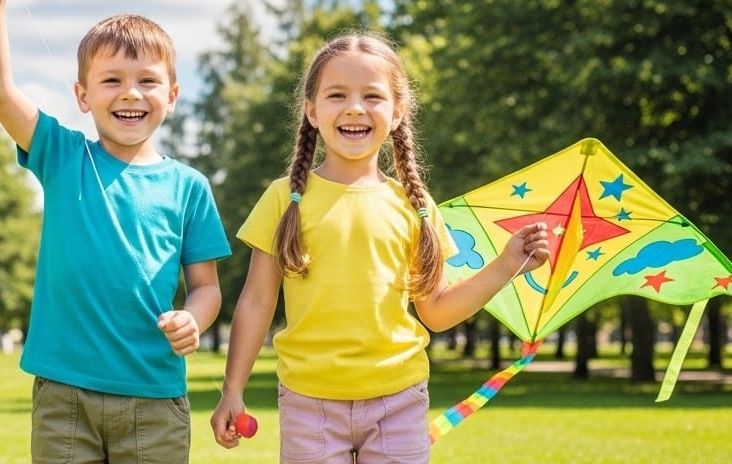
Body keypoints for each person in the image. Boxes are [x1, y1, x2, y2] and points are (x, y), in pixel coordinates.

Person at [209, 32, 551, 463]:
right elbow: (257, 301)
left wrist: (506, 265)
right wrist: (232, 389)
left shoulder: (417, 206)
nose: (354, 107)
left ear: (397, 111)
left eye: (372, 95)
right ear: (312, 112)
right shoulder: (284, 198)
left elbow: (437, 310)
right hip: (309, 401)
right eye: (337, 95)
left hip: (399, 400)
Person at [0, 0, 231, 464]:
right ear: (83, 95)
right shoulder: (63, 156)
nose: (130, 93)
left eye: (147, 81)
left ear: (172, 96)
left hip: (154, 397)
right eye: (112, 80)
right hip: (65, 393)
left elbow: (207, 288)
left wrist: (194, 320)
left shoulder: (189, 186)